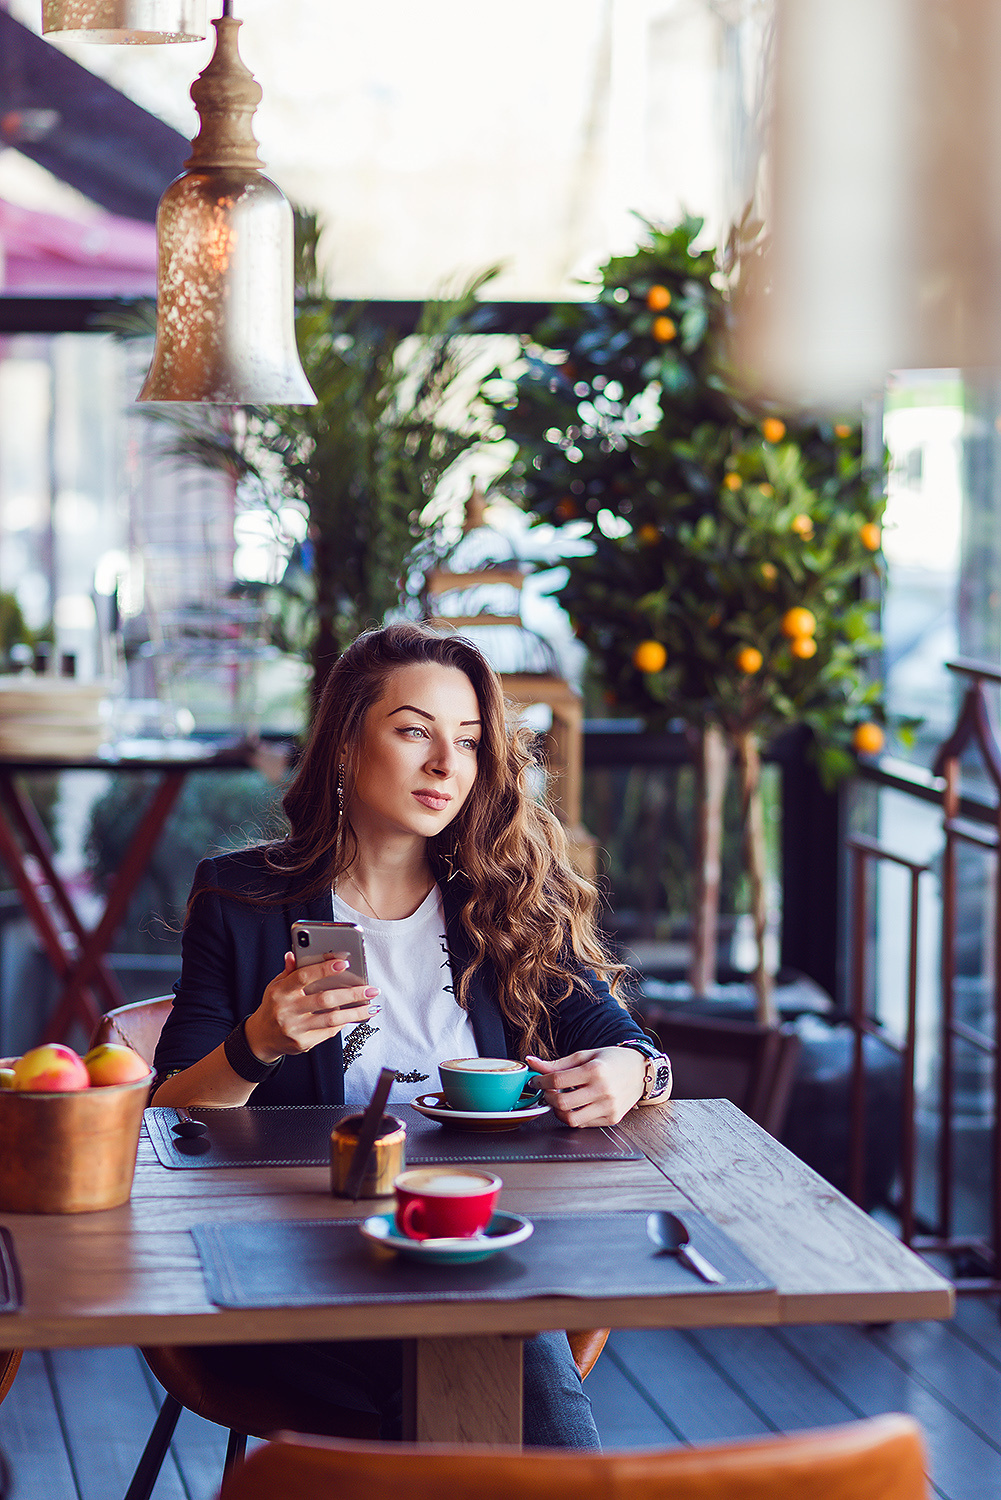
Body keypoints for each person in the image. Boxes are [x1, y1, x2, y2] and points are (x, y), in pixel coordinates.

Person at [153, 621, 672, 1447]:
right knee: (490, 1348)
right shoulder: (241, 899)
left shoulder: (504, 900)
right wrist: (258, 1042)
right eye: (413, 732)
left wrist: (632, 1072)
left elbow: (630, 1046)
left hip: (478, 1245)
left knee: (479, 1333)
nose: (445, 766)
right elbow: (165, 1120)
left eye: (467, 743)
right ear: (347, 747)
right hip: (300, 1260)